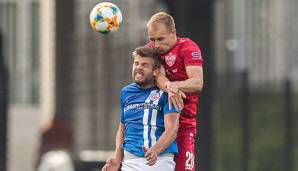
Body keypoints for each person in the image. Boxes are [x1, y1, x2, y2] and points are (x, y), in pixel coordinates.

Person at [101, 47, 180, 171]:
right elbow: (122, 128)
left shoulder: (168, 93)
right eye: (136, 63)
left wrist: (155, 151)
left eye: (145, 65)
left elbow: (172, 129)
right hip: (130, 161)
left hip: (159, 160)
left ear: (155, 71)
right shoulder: (125, 92)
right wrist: (117, 158)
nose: (138, 67)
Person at [146, 12, 204, 171]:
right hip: (157, 126)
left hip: (184, 126)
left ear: (173, 33)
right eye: (152, 39)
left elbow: (197, 82)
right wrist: (170, 87)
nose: (155, 45)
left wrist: (175, 86)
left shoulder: (188, 47)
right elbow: (157, 76)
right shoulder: (150, 49)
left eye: (160, 38)